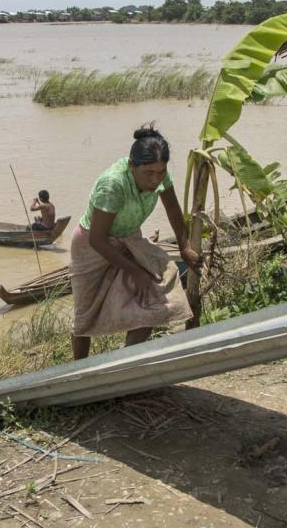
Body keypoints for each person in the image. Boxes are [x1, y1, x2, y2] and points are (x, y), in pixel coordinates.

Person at [70, 125, 201, 360]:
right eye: (148, 173)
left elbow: (172, 207)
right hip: (92, 247)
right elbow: (97, 240)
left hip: (130, 238)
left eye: (160, 172)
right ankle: (78, 372)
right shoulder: (113, 185)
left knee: (153, 294)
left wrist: (185, 247)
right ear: (132, 166)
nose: (155, 179)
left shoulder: (159, 174)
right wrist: (134, 271)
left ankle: (126, 361)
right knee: (85, 316)